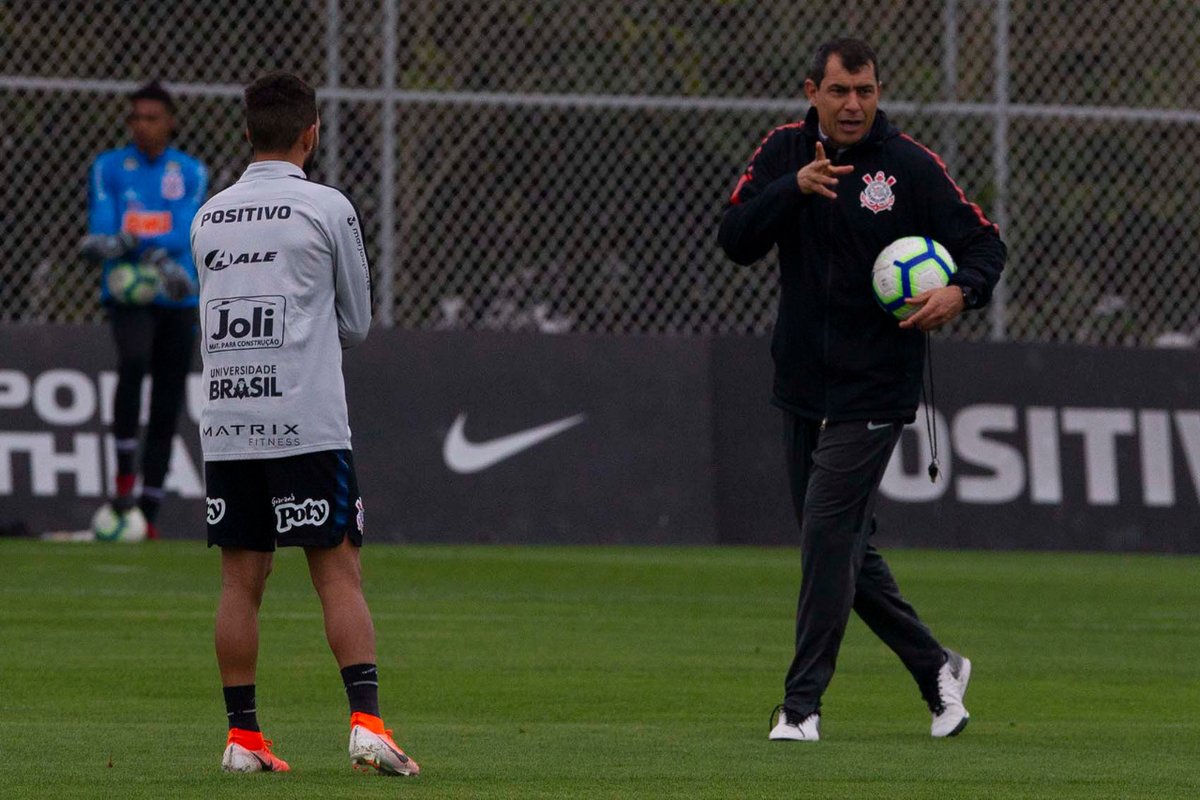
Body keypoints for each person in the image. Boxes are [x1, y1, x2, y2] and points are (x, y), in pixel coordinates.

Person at [718, 38, 1006, 741]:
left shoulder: (908, 166)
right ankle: (936, 665)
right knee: (841, 544)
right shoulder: (785, 152)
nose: (854, 105)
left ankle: (801, 706)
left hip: (877, 387)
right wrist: (793, 191)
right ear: (812, 89)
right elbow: (734, 238)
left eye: (867, 91)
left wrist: (958, 293)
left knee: (825, 533)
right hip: (800, 384)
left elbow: (986, 245)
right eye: (841, 91)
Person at [189, 72, 418, 776]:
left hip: (227, 419)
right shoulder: (326, 207)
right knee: (338, 572)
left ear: (246, 133)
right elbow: (356, 321)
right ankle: (367, 724)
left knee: (240, 581)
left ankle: (243, 738)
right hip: (305, 421)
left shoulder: (208, 215)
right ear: (310, 132)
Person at [83, 81, 208, 539]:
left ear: (170, 122)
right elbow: (102, 227)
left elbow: (183, 233)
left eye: (152, 117)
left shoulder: (190, 170)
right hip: (128, 295)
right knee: (133, 363)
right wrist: (133, 245)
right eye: (136, 117)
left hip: (177, 296)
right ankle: (122, 484)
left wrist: (135, 243)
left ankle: (149, 512)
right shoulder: (110, 167)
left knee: (168, 397)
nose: (143, 125)